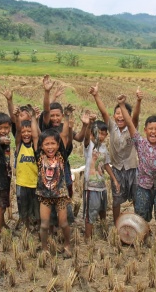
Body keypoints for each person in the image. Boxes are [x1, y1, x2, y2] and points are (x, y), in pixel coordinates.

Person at [116, 91, 156, 242]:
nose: (153, 131)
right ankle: (143, 236)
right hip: (142, 186)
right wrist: (122, 105)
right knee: (142, 214)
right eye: (151, 128)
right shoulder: (140, 143)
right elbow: (129, 123)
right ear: (146, 130)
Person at [39, 75, 89, 230]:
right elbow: (46, 111)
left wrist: (85, 125)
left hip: (64, 166)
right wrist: (48, 93)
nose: (54, 118)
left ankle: (64, 220)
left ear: (62, 116)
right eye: (52, 115)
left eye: (57, 115)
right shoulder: (47, 129)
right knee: (48, 194)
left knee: (66, 191)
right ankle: (51, 223)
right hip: (49, 167)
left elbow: (80, 138)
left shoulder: (64, 128)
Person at [88, 83, 142, 225]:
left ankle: (137, 223)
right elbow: (104, 113)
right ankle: (118, 224)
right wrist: (96, 95)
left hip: (132, 168)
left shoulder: (132, 128)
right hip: (117, 168)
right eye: (117, 113)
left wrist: (138, 101)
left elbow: (135, 118)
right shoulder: (112, 127)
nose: (120, 116)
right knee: (116, 199)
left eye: (123, 113)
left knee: (137, 198)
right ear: (114, 116)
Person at [32, 102, 74, 257]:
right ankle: (44, 248)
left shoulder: (61, 156)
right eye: (47, 144)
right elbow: (36, 135)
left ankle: (67, 245)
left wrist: (68, 117)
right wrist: (33, 118)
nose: (50, 147)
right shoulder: (40, 156)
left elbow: (63, 135)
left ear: (58, 145)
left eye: (53, 144)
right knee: (44, 224)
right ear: (42, 146)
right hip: (44, 196)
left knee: (63, 223)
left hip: (60, 195)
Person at [82, 113, 119, 242]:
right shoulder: (88, 145)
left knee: (103, 209)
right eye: (98, 133)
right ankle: (88, 238)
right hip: (90, 186)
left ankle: (104, 232)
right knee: (90, 212)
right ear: (92, 133)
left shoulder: (103, 148)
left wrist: (114, 179)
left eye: (104, 134)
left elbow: (106, 164)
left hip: (101, 185)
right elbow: (86, 137)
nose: (101, 136)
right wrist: (88, 124)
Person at [13, 106, 41, 232]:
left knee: (37, 208)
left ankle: (38, 226)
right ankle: (25, 227)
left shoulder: (35, 147)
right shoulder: (19, 146)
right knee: (23, 208)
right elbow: (18, 131)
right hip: (22, 184)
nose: (26, 134)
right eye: (24, 132)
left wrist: (34, 117)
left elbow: (36, 136)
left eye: (28, 131)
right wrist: (17, 118)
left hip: (35, 183)